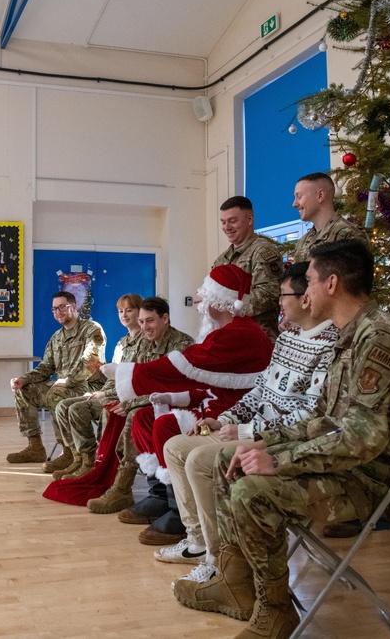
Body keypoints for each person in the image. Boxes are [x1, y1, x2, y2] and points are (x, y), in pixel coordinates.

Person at [173, 240, 390, 639]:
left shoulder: (379, 340)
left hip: (370, 479)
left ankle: (273, 611)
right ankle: (235, 583)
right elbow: (322, 422)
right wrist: (265, 443)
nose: (303, 292)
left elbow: (362, 440)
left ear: (331, 283)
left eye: (307, 281)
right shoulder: (349, 337)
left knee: (252, 492)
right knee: (229, 460)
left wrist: (279, 461)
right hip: (343, 461)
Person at [156, 261, 338, 579]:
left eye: (284, 295)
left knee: (198, 459)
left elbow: (310, 415)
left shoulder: (328, 348)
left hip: (278, 440)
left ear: (305, 298)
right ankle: (198, 542)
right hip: (251, 430)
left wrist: (244, 429)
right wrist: (223, 419)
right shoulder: (288, 340)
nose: (278, 302)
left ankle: (217, 561)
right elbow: (258, 392)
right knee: (174, 446)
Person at [104, 264, 274, 545]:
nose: (200, 304)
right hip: (214, 407)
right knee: (146, 417)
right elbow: (206, 384)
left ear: (219, 300)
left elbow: (186, 366)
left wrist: (132, 373)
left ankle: (180, 510)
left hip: (230, 416)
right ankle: (162, 495)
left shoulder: (238, 333)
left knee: (167, 423)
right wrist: (172, 398)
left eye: (205, 297)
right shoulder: (226, 329)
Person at [50, 297, 193, 510]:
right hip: (149, 399)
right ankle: (102, 469)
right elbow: (136, 379)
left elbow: (173, 386)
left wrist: (130, 402)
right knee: (113, 410)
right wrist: (119, 398)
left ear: (165, 318)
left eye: (150, 321)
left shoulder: (181, 344)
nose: (145, 327)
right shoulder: (144, 343)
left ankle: (123, 486)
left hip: (178, 401)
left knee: (132, 415)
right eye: (142, 322)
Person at [48, 294, 144, 480]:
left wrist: (105, 393)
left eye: (129, 310)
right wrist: (102, 392)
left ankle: (94, 462)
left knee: (76, 408)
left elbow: (138, 378)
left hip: (127, 397)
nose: (124, 315)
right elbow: (113, 377)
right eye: (120, 311)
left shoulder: (146, 341)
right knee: (64, 406)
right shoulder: (121, 344)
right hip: (110, 392)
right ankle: (82, 459)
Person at [7, 291, 106, 464]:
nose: (57, 312)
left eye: (62, 307)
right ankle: (35, 447)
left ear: (74, 307)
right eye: (54, 309)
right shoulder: (56, 338)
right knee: (24, 390)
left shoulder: (91, 329)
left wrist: (68, 380)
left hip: (89, 386)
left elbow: (91, 362)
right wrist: (23, 379)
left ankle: (68, 452)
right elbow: (46, 367)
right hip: (63, 386)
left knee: (56, 393)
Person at [212, 196, 284, 341]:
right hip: (230, 337)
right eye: (223, 222)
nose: (227, 227)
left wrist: (228, 305)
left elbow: (269, 295)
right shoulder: (222, 259)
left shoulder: (263, 252)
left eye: (232, 221)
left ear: (250, 219)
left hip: (259, 339)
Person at [291, 172, 369, 262]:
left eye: (299, 196)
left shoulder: (349, 235)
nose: (294, 204)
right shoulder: (302, 242)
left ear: (320, 195)